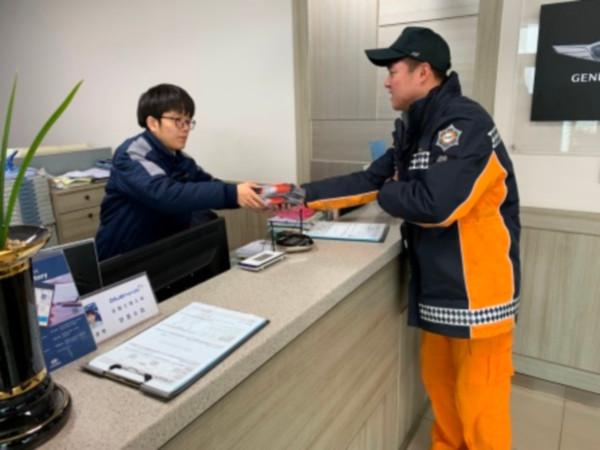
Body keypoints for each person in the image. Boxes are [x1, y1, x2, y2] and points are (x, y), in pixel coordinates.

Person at [302, 27, 520, 450]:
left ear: (423, 72)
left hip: (478, 295)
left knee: (481, 407)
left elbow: (436, 205)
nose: (387, 81)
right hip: (438, 287)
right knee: (441, 390)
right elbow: (368, 180)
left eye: (393, 71)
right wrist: (296, 195)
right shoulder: (414, 129)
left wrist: (392, 191)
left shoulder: (465, 123)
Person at [96, 84, 265, 260]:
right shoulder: (131, 154)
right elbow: (165, 194)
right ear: (153, 123)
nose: (185, 128)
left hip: (160, 253)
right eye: (177, 120)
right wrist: (233, 193)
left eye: (188, 121)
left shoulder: (178, 157)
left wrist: (256, 196)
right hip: (122, 257)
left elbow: (207, 184)